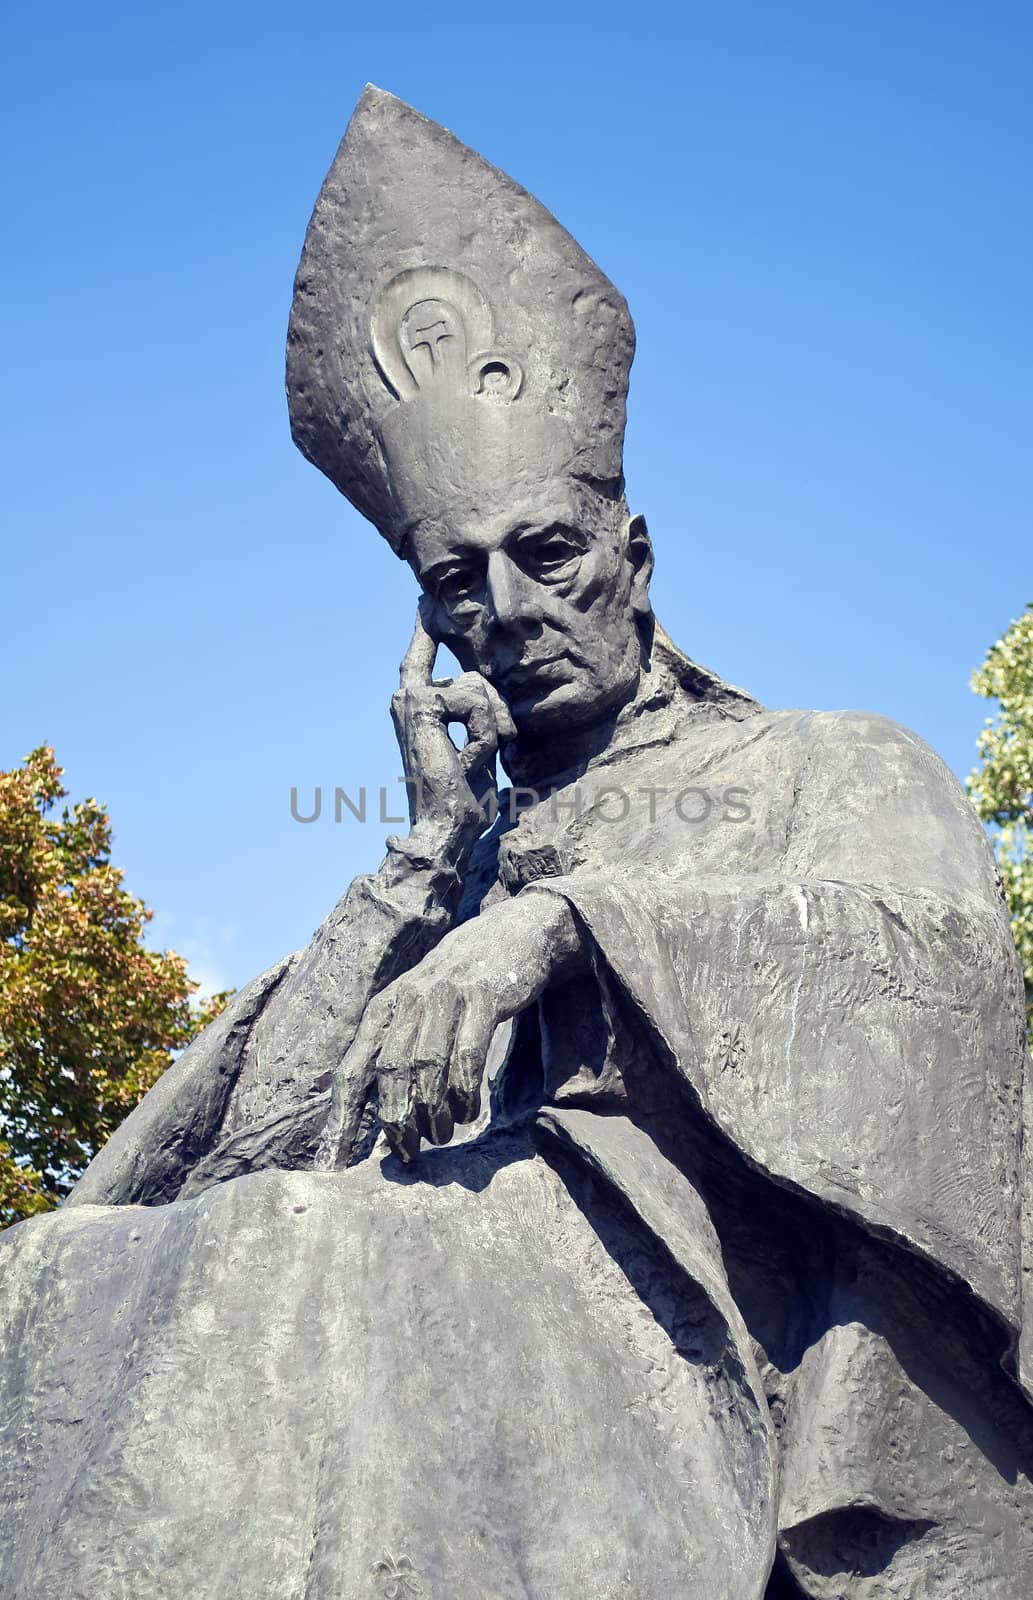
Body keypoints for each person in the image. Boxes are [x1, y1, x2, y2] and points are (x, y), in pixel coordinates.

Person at [3, 88, 1032, 1599]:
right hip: (444, 1254)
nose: (510, 611)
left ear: (632, 552)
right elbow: (244, 1143)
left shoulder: (827, 761)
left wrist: (563, 928)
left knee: (316, 1262)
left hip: (685, 1301)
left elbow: (939, 1002)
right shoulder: (458, 853)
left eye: (545, 554)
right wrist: (425, 863)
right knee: (56, 1271)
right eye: (455, 583)